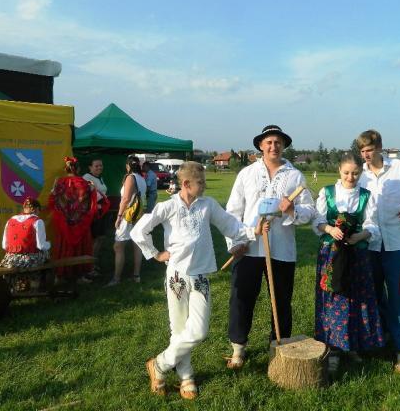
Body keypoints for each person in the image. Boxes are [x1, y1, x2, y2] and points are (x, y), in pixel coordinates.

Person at [131, 162, 264, 399]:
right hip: (177, 276)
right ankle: (186, 377)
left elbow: (230, 225)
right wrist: (156, 254)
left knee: (199, 330)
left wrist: (253, 231)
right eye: (200, 182)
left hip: (200, 275)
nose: (204, 186)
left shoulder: (208, 205)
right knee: (179, 329)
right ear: (186, 184)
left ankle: (159, 364)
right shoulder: (168, 206)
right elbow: (139, 230)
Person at [224, 124, 315, 369]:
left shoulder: (295, 176)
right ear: (261, 146)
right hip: (249, 247)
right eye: (269, 142)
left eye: (278, 142)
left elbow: (309, 211)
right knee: (242, 298)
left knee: (281, 300)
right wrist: (236, 242)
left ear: (284, 146)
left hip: (281, 249)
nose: (274, 146)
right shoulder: (246, 174)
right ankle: (238, 349)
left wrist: (292, 209)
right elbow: (232, 212)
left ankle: (278, 347)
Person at [356, 129, 400, 373]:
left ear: (380, 148)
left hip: (397, 242)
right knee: (374, 295)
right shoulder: (360, 175)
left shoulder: (399, 168)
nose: (366, 155)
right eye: (362, 151)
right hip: (370, 245)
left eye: (370, 150)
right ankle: (382, 337)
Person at [312, 152, 384, 373]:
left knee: (357, 299)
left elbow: (372, 225)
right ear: (339, 171)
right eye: (346, 173)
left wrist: (359, 236)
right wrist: (330, 229)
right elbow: (317, 221)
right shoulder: (327, 193)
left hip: (357, 254)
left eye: (355, 173)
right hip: (332, 255)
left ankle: (353, 344)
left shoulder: (366, 196)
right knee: (334, 298)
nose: (350, 177)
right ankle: (333, 349)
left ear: (360, 172)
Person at [48, 157, 98, 282]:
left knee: (63, 247)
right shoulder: (84, 183)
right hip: (79, 222)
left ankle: (60, 275)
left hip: (64, 222)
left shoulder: (59, 182)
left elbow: (53, 199)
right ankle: (80, 274)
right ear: (78, 169)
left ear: (66, 169)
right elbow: (89, 201)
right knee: (81, 247)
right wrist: (92, 189)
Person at [108, 156, 147, 286]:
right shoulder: (141, 178)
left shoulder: (130, 177)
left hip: (128, 216)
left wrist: (119, 216)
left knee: (118, 246)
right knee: (137, 245)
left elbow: (125, 199)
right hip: (139, 215)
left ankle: (116, 278)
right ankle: (136, 275)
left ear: (128, 166)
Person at [0, 197, 50, 293]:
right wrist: (49, 244)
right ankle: (38, 285)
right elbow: (41, 246)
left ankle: (17, 285)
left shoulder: (10, 220)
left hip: (10, 259)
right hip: (29, 259)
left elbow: (4, 246)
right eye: (39, 211)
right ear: (36, 209)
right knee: (46, 254)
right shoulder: (37, 221)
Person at [82, 157, 110, 277]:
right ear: (90, 167)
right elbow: (85, 195)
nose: (99, 167)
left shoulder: (99, 178)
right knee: (95, 239)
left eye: (101, 165)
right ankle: (89, 266)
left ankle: (93, 263)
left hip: (102, 212)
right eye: (96, 166)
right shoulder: (86, 177)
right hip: (94, 213)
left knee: (100, 238)